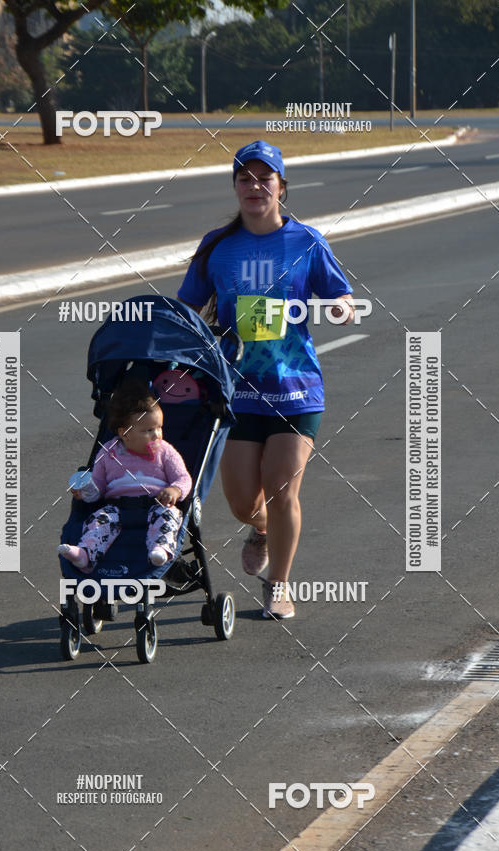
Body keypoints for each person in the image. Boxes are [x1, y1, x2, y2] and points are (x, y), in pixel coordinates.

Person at [178, 140, 354, 620]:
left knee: (282, 489)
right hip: (237, 389)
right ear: (235, 186)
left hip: (296, 387)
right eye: (245, 179)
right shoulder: (217, 246)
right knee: (241, 502)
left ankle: (279, 584)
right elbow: (187, 308)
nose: (254, 187)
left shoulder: (306, 241)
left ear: (281, 186)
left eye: (264, 178)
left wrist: (341, 308)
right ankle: (259, 529)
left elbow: (342, 295)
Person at [58, 382, 192, 572]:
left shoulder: (165, 451)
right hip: (117, 508)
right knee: (98, 521)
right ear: (125, 433)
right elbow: (98, 485)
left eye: (159, 427)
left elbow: (183, 478)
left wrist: (175, 490)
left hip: (156, 504)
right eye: (148, 430)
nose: (156, 435)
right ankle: (85, 553)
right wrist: (86, 491)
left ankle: (160, 548)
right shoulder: (109, 452)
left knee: (168, 516)